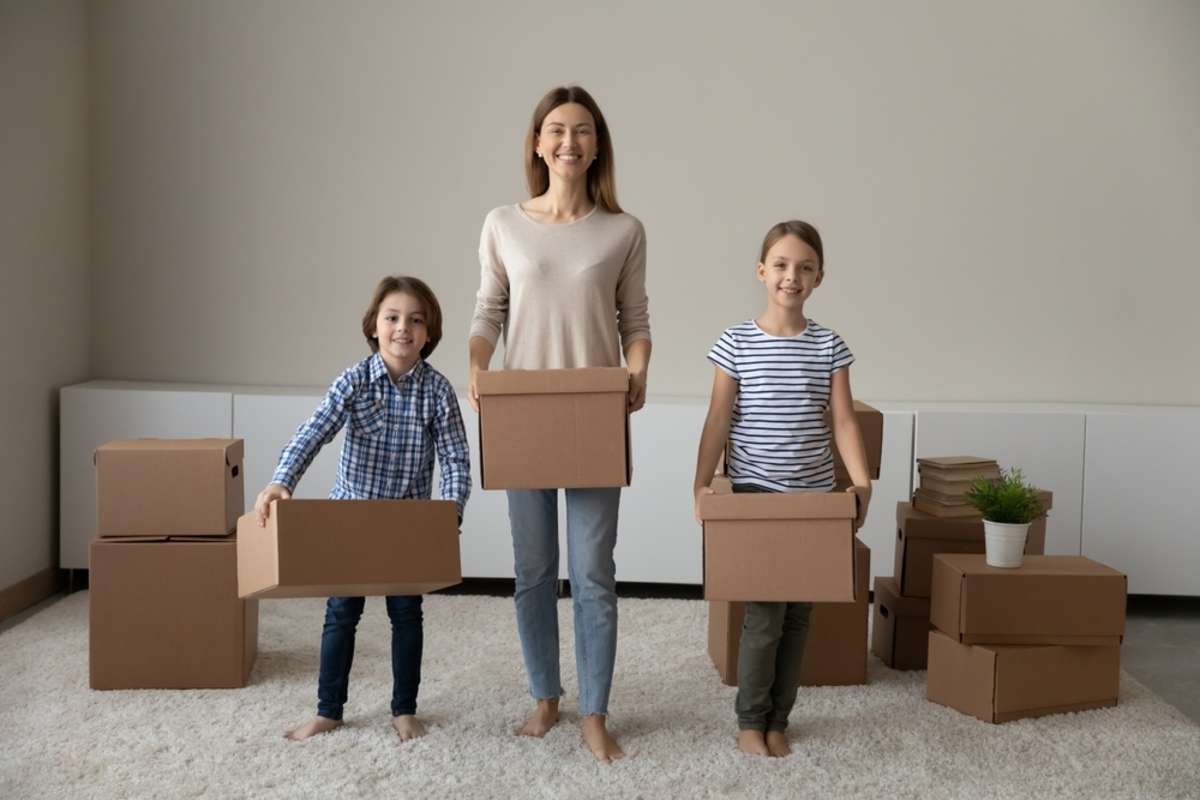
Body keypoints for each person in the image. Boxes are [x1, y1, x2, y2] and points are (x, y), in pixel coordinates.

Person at [468, 85, 651, 762]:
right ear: (538, 143)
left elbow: (636, 322)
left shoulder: (623, 231)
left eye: (581, 131)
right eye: (555, 130)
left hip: (596, 412)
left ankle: (595, 711)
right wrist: (477, 366)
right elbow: (488, 312)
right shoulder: (502, 223)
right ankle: (546, 695)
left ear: (596, 144)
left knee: (594, 572)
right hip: (524, 412)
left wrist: (640, 369)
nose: (568, 142)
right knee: (533, 569)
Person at [254, 275, 470, 742]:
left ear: (429, 333)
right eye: (392, 318)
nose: (402, 329)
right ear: (374, 325)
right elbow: (314, 432)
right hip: (350, 518)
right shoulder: (353, 381)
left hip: (407, 523)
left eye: (416, 321)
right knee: (341, 615)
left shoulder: (438, 391)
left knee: (406, 615)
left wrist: (449, 512)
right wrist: (280, 480)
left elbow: (455, 456)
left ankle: (404, 709)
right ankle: (328, 711)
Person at [692, 220, 871, 757]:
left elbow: (843, 422)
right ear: (762, 271)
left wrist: (862, 482)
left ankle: (779, 719)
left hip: (813, 500)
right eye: (783, 265)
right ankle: (751, 719)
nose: (792, 276)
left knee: (798, 616)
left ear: (819, 277)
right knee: (764, 615)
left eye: (805, 267)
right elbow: (719, 417)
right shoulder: (736, 342)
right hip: (755, 497)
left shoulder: (829, 346)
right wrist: (700, 484)